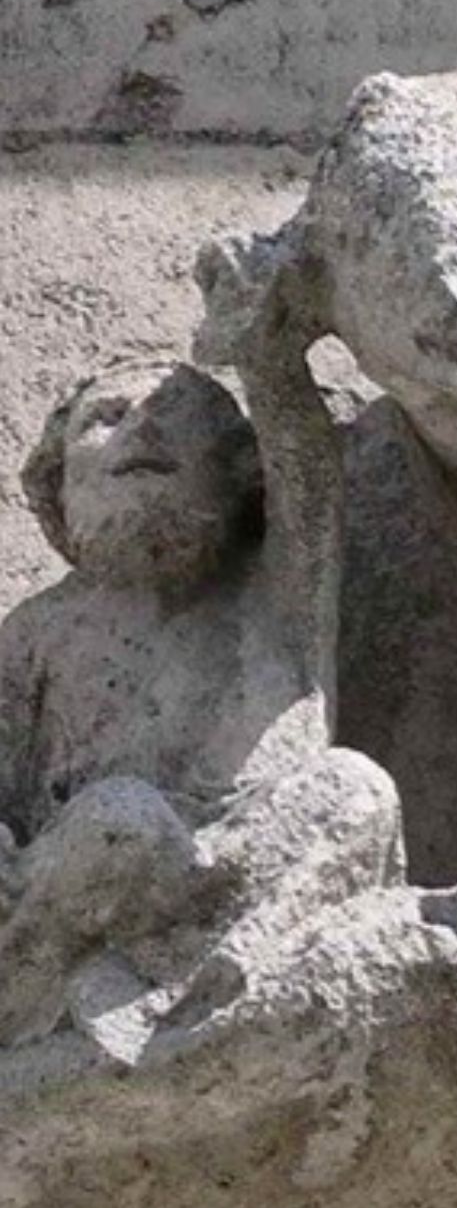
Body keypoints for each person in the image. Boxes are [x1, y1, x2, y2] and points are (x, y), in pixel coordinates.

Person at [0, 359, 401, 1046]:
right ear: (58, 482)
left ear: (244, 470)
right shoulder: (39, 631)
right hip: (94, 864)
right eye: (108, 416)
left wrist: (264, 346)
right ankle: (35, 993)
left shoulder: (278, 590)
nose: (144, 427)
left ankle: (233, 979)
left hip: (240, 863)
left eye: (178, 414)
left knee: (354, 791)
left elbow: (307, 469)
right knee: (116, 818)